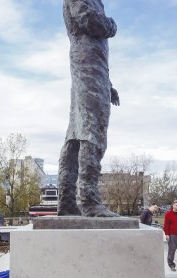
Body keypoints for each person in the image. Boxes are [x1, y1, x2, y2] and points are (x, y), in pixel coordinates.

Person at [58, 0, 120, 217]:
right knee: (92, 131)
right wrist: (112, 24)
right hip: (87, 64)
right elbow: (91, 21)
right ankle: (88, 200)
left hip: (92, 66)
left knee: (77, 133)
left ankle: (67, 201)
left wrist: (108, 85)